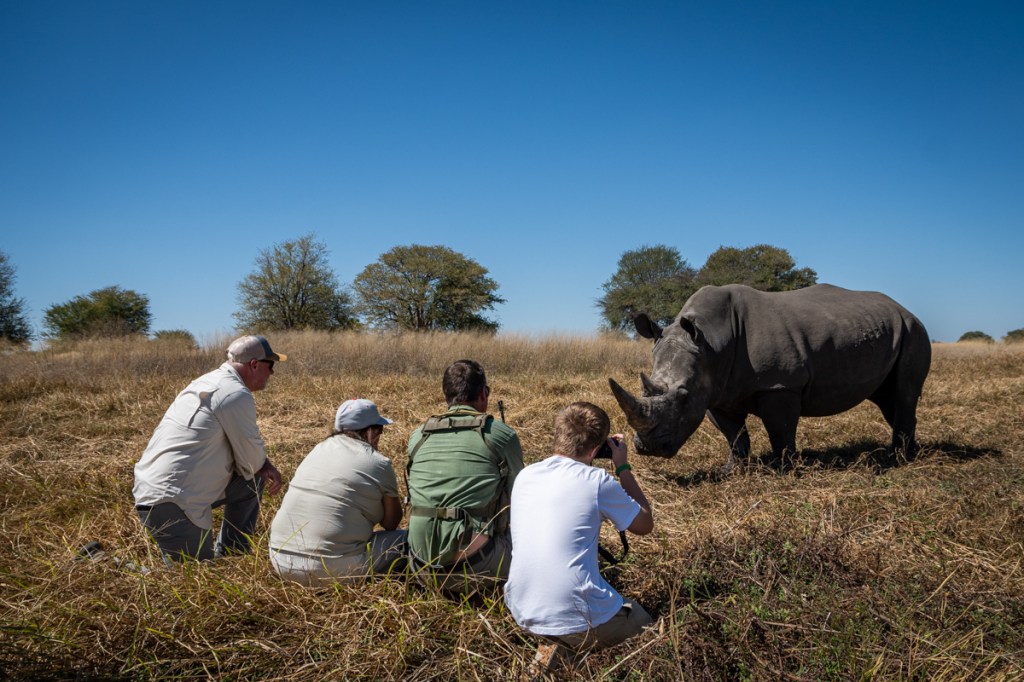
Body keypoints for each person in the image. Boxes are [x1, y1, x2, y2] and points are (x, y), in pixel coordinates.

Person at [504, 401, 655, 676]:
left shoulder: (525, 475)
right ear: (597, 449)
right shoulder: (597, 481)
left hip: (521, 609)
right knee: (646, 626)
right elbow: (645, 523)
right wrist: (622, 467)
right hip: (575, 615)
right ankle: (571, 651)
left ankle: (557, 648)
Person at [133, 335, 285, 564]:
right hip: (171, 501)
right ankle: (99, 560)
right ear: (254, 365)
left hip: (166, 491)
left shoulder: (209, 381)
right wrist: (262, 464)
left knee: (252, 480)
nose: (272, 373)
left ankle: (234, 556)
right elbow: (252, 460)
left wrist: (262, 465)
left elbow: (253, 465)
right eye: (270, 365)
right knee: (192, 578)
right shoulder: (234, 393)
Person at [406, 359, 524, 595]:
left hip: (421, 568)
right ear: (483, 393)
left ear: (446, 396)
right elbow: (521, 500)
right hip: (477, 568)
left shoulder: (418, 436)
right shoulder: (500, 435)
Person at [269, 398, 407, 585]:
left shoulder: (316, 451)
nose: (379, 436)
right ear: (368, 432)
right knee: (408, 539)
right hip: (331, 570)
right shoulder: (378, 462)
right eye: (379, 430)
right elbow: (391, 523)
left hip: (280, 561)